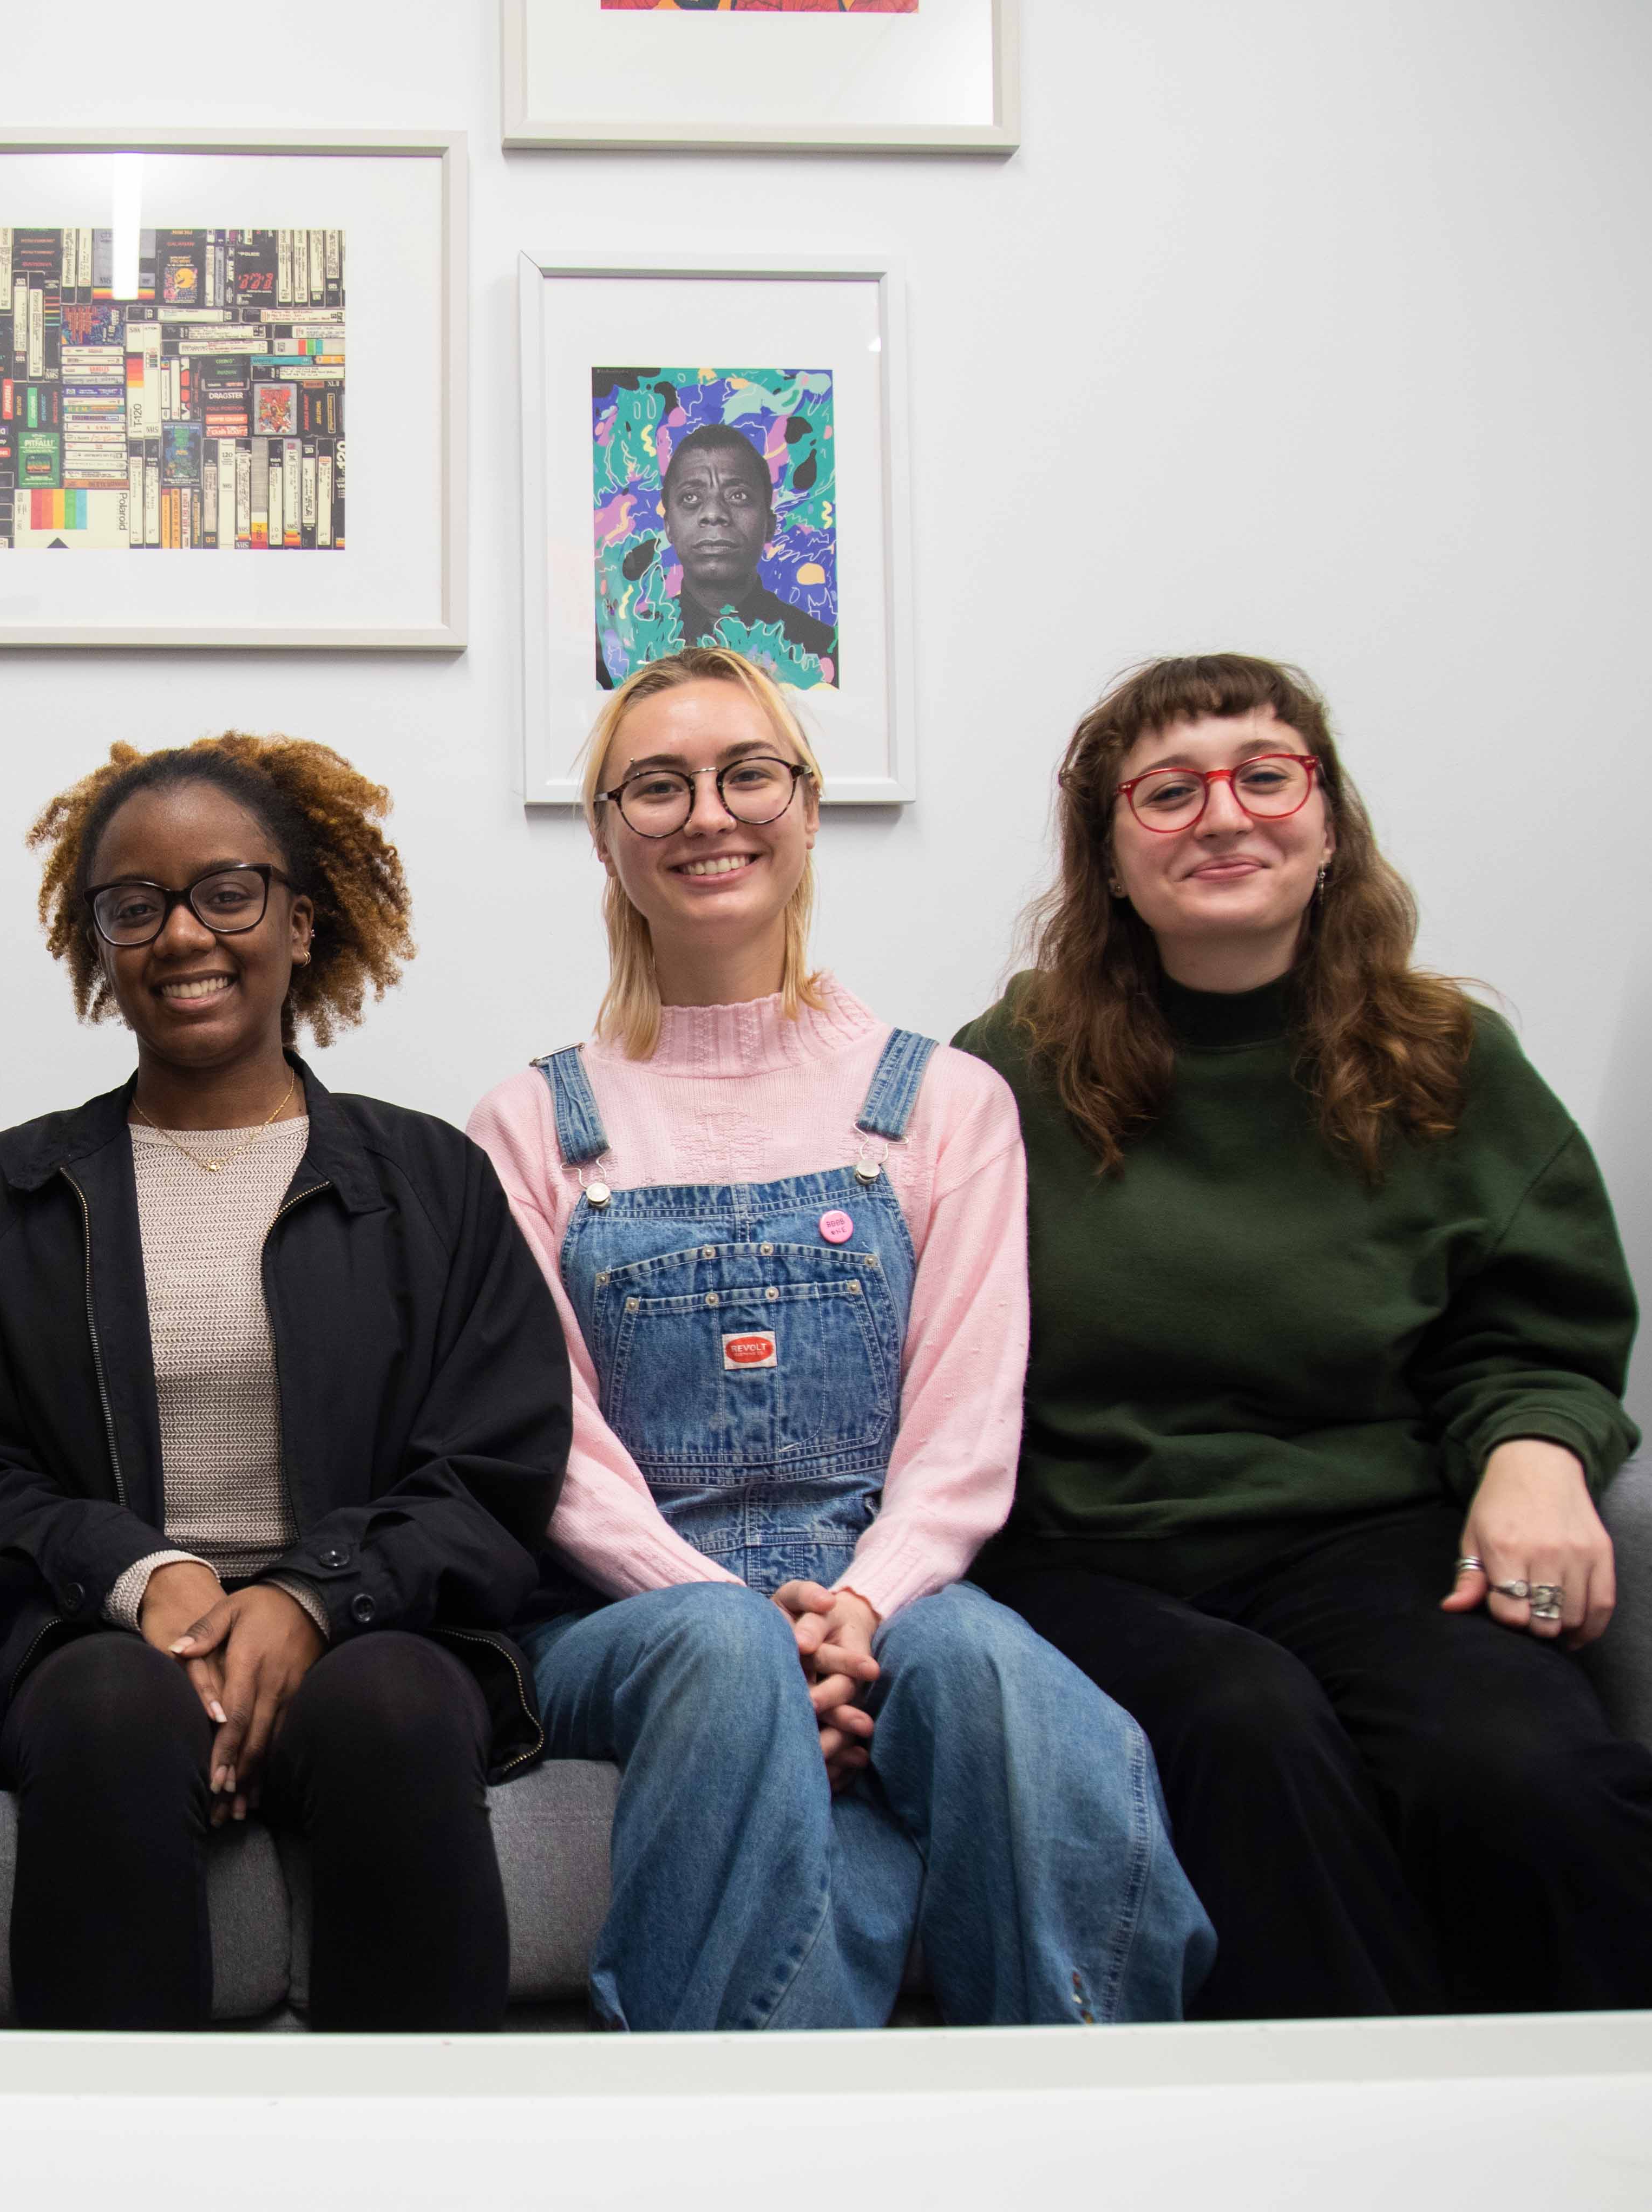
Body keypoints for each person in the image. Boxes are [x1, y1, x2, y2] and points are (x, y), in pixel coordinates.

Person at [956, 652, 1652, 2017]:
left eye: (1266, 774)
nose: (1223, 813)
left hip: (1363, 1541)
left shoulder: (1446, 1057)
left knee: (1525, 1769)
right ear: (1109, 854)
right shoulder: (1009, 1063)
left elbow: (1534, 1328)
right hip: (1089, 1551)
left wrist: (1539, 1449)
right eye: (1168, 789)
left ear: (1327, 826)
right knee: (1248, 1726)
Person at [465, 645, 1211, 2031]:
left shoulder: (946, 1100)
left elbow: (967, 1424)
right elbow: (554, 1449)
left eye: (750, 773)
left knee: (991, 1671)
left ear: (806, 808)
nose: (709, 813)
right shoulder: (525, 1123)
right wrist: (749, 1623)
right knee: (720, 1652)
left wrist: (857, 1607)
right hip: (625, 1617)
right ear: (605, 832)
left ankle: (1096, 2106)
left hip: (893, 1591)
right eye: (659, 785)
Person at [0, 734, 568, 2031]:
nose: (181, 932)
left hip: (373, 1631)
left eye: (227, 891)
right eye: (133, 905)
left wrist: (318, 1597)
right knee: (103, 1706)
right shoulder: (11, 1188)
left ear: (302, 919)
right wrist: (144, 1577)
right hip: (102, 1638)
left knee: (394, 1709)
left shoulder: (428, 1179)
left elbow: (494, 1467)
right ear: (97, 942)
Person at [661, 422, 834, 671]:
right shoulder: (634, 643)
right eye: (691, 497)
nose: (713, 513)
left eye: (738, 495)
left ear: (770, 526)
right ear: (668, 527)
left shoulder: (822, 649)